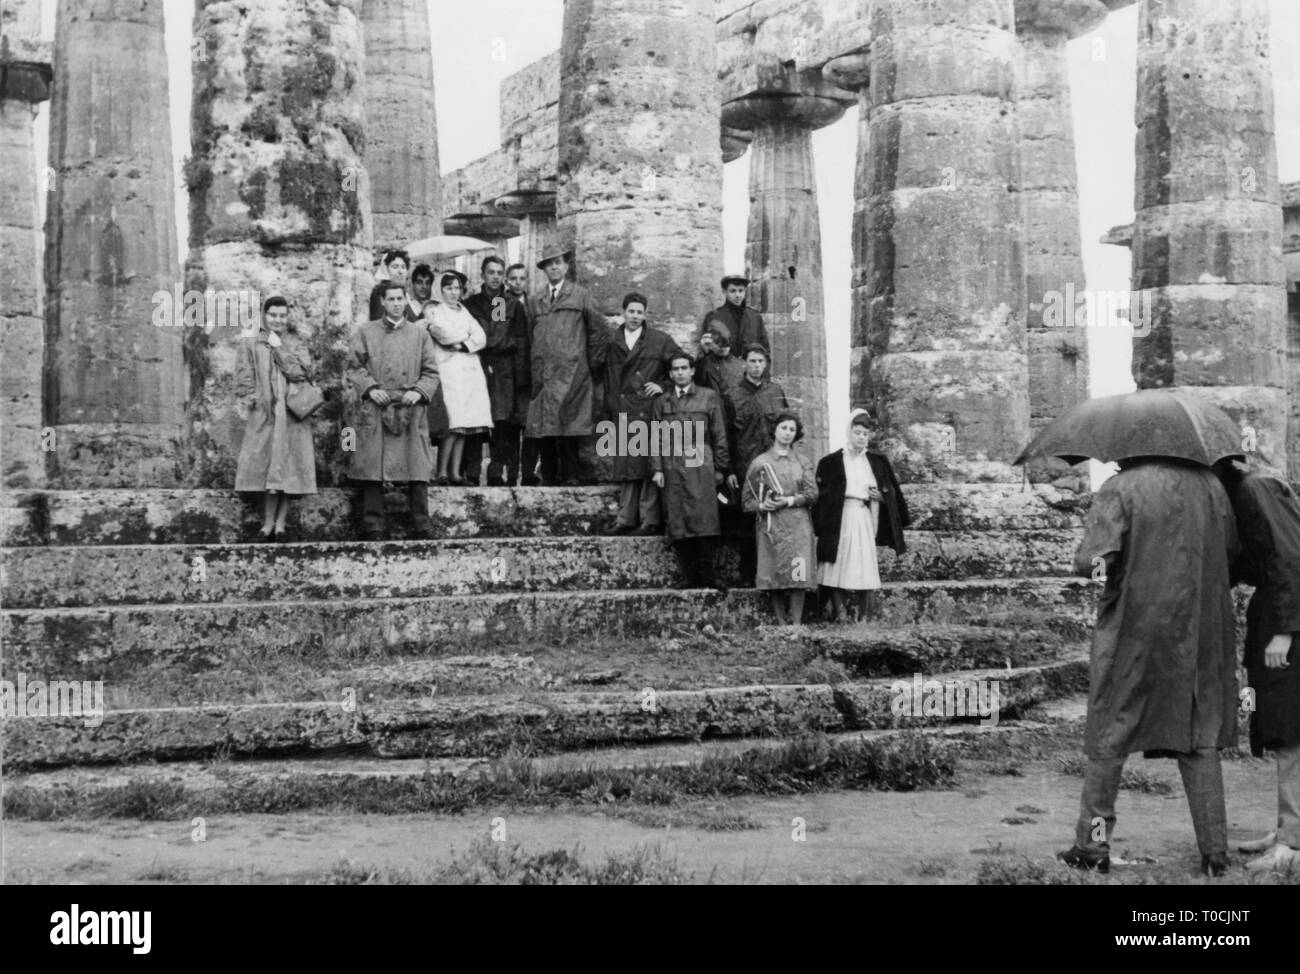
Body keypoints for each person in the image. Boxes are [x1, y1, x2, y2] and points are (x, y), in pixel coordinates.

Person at [1058, 456, 1239, 877]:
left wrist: (1106, 570)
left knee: (1109, 735)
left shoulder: (1121, 488)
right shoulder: (1212, 487)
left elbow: (1094, 562)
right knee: (1199, 737)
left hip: (1133, 626)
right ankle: (1215, 853)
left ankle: (1093, 846)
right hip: (1199, 627)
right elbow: (1231, 553)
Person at [1216, 459, 1300, 872]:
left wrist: (1285, 630)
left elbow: (1289, 557)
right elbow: (1260, 560)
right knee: (1281, 728)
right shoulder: (1250, 488)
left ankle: (1293, 842)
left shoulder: (1254, 489)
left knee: (1291, 732)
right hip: (1276, 613)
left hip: (1287, 624)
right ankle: (1289, 826)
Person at [346, 282, 440, 540]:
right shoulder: (366, 331)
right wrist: (370, 388)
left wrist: (418, 391)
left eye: (401, 299)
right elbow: (353, 366)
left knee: (417, 464)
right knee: (372, 463)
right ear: (383, 302)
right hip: (378, 405)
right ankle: (373, 524)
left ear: (405, 301)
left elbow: (431, 372)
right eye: (391, 299)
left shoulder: (420, 335)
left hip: (410, 406)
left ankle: (422, 523)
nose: (397, 304)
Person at [813, 409, 910, 622]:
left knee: (864, 564)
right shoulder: (831, 462)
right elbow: (821, 497)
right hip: (839, 519)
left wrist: (882, 496)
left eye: (865, 434)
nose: (861, 437)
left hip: (864, 516)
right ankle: (841, 612)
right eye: (857, 432)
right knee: (835, 564)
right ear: (849, 433)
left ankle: (865, 615)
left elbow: (892, 491)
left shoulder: (876, 461)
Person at [234, 296, 317, 540]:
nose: (277, 320)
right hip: (266, 415)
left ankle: (280, 524)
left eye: (282, 316)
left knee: (290, 469)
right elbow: (244, 375)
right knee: (268, 468)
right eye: (273, 315)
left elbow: (300, 373)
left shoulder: (295, 342)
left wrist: (278, 346)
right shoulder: (251, 342)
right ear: (264, 315)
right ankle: (267, 523)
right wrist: (253, 399)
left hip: (293, 413)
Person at [597, 292, 681, 535]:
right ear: (623, 312)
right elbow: (605, 377)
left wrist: (663, 386)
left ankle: (650, 520)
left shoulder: (659, 340)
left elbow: (682, 365)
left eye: (639, 312)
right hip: (622, 410)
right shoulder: (612, 341)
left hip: (646, 410)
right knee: (625, 467)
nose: (635, 316)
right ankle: (625, 519)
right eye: (631, 311)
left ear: (645, 314)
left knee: (647, 466)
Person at [525, 243, 607, 485]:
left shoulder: (581, 296)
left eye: (558, 262)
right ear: (544, 269)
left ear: (566, 266)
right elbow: (530, 334)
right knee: (546, 425)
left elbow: (598, 332)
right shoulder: (535, 300)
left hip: (574, 372)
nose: (554, 267)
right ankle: (549, 476)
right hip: (545, 373)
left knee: (572, 423)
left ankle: (571, 475)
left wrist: (590, 364)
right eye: (549, 264)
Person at [651, 352, 730, 589]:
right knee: (678, 520)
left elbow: (719, 434)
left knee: (705, 519)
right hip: (672, 466)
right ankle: (689, 576)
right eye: (675, 369)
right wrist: (657, 468)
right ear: (670, 373)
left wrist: (721, 467)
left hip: (701, 465)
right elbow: (655, 438)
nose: (680, 372)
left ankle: (708, 575)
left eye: (684, 368)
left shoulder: (708, 397)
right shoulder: (662, 402)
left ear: (693, 370)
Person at [743, 412, 818, 624]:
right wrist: (761, 505)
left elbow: (813, 494)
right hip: (771, 525)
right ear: (774, 430)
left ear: (796, 434)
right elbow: (746, 502)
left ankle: (795, 623)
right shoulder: (760, 462)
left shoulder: (802, 462)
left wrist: (790, 501)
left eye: (792, 429)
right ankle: (781, 623)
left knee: (798, 572)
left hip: (798, 525)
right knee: (773, 571)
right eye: (783, 428)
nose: (787, 433)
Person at [724, 344, 790, 585]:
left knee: (775, 518)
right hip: (745, 468)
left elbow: (786, 427)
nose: (756, 366)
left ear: (766, 364)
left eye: (761, 362)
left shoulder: (775, 391)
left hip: (773, 466)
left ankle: (775, 572)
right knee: (747, 522)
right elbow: (727, 436)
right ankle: (748, 574)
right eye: (752, 361)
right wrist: (729, 469)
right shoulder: (732, 395)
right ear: (745, 363)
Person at [464, 256, 529, 486]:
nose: (495, 277)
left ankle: (495, 471)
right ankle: (471, 471)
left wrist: (520, 377)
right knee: (474, 419)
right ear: (482, 274)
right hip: (476, 365)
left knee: (502, 422)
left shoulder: (507, 303)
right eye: (490, 272)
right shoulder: (471, 303)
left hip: (502, 369)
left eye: (499, 273)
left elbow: (503, 337)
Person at [424, 270, 494, 485]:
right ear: (440, 290)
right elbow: (441, 333)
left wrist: (462, 344)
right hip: (449, 372)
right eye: (449, 288)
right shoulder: (434, 310)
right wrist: (462, 339)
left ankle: (455, 473)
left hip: (470, 373)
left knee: (465, 425)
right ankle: (442, 471)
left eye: (457, 288)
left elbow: (481, 336)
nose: (454, 292)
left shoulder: (464, 311)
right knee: (451, 424)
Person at [506, 262, 542, 486]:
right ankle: (510, 474)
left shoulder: (533, 302)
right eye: (513, 278)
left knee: (531, 425)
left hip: (531, 370)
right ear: (507, 281)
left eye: (522, 278)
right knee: (510, 427)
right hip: (509, 372)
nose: (518, 283)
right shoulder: (501, 302)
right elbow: (498, 331)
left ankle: (528, 473)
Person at [697, 274, 769, 365]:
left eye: (741, 291)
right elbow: (706, 350)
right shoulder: (713, 317)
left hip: (750, 372)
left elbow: (765, 350)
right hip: (723, 372)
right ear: (724, 292)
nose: (737, 295)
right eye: (733, 291)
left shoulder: (755, 316)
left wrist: (765, 375)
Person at [694, 319, 744, 397]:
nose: (721, 346)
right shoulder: (705, 362)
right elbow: (698, 382)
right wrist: (704, 354)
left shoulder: (739, 364)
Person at [368, 249, 410, 321]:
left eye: (403, 267)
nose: (400, 271)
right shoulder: (381, 292)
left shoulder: (403, 293)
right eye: (395, 267)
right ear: (386, 270)